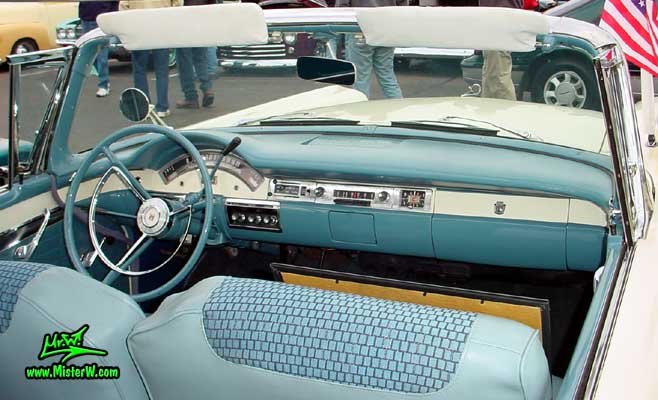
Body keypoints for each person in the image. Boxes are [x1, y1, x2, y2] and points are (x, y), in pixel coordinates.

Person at [120, 0, 181, 117]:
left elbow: (123, 6)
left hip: (138, 28)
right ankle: (162, 107)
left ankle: (144, 108)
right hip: (161, 27)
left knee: (139, 70)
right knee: (162, 70)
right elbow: (176, 5)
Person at [335, 0, 406, 99]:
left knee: (360, 78)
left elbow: (342, 7)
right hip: (386, 30)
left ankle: (361, 107)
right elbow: (403, 6)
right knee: (387, 75)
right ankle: (397, 106)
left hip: (360, 30)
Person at [176, 0, 217, 109]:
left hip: (183, 20)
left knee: (185, 62)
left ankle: (191, 97)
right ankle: (207, 88)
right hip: (201, 19)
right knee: (201, 59)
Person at [479, 0, 523, 101]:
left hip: (498, 22)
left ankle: (504, 109)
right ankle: (491, 107)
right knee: (493, 75)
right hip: (498, 21)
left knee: (497, 77)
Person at [79, 1, 119, 97]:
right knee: (90, 54)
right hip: (86, 18)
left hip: (102, 19)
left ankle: (103, 85)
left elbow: (115, 3)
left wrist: (111, 17)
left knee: (102, 55)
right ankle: (104, 81)